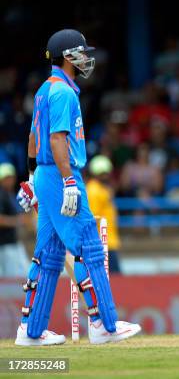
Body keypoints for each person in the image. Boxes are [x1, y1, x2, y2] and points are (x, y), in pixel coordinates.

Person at [14, 29, 140, 346]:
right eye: (82, 53)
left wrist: (31, 179)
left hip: (45, 174)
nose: (87, 59)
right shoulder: (63, 93)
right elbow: (56, 139)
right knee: (89, 246)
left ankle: (30, 330)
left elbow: (32, 138)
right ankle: (104, 325)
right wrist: (69, 180)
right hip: (60, 174)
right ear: (68, 56)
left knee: (48, 254)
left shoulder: (45, 90)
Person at [86, 155, 122, 274]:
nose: (106, 176)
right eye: (103, 173)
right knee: (114, 279)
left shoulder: (102, 189)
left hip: (109, 240)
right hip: (102, 243)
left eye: (107, 173)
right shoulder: (93, 190)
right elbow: (92, 217)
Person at [0, 163, 28, 277]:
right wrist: (19, 221)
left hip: (12, 243)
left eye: (11, 177)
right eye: (6, 178)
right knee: (16, 278)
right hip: (5, 245)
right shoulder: (1, 195)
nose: (9, 180)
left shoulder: (10, 194)